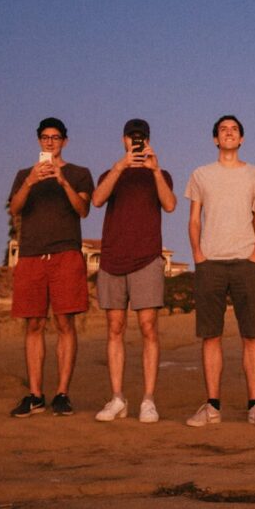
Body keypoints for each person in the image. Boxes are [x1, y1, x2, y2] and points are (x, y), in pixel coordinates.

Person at [184, 116, 255, 428]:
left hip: (245, 262)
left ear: (242, 139)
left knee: (252, 335)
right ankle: (212, 406)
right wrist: (198, 254)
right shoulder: (201, 174)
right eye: (223, 130)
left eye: (234, 129)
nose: (229, 133)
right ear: (215, 139)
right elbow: (194, 218)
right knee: (211, 335)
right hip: (211, 262)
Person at [91, 119, 177, 423]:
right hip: (113, 259)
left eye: (141, 138)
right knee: (114, 328)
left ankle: (148, 400)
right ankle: (117, 398)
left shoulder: (160, 173)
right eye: (132, 138)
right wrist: (120, 167)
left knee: (148, 328)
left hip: (146, 259)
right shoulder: (110, 172)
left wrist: (154, 170)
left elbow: (169, 205)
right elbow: (97, 199)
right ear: (124, 140)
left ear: (149, 141)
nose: (136, 143)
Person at [7, 118, 93, 417]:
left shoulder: (79, 173)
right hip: (31, 255)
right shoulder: (23, 175)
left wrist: (62, 179)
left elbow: (82, 209)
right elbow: (14, 209)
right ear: (38, 141)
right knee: (33, 324)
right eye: (45, 137)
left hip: (65, 254)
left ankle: (62, 393)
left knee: (65, 323)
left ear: (64, 141)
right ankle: (35, 394)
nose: (50, 142)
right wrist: (31, 181)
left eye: (55, 137)